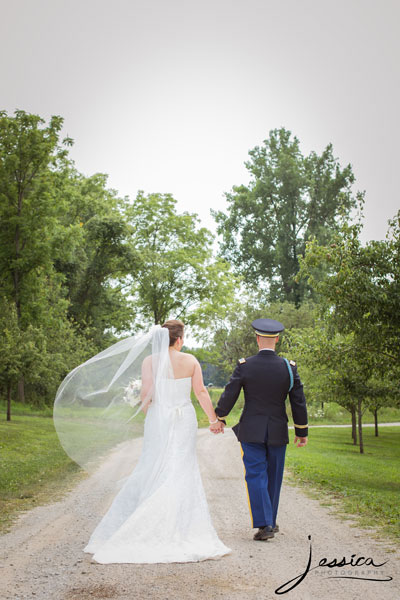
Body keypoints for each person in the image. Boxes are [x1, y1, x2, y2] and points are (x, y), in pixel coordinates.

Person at [56, 320, 231, 564]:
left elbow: (146, 394)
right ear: (179, 339)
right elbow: (201, 392)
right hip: (183, 418)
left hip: (159, 418)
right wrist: (214, 420)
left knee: (153, 465)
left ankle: (141, 520)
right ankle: (177, 524)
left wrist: (154, 417)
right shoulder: (190, 361)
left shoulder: (149, 362)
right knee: (181, 466)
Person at [211, 318, 308, 541]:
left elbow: (231, 392)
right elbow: (298, 402)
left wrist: (221, 417)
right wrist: (301, 432)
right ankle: (270, 522)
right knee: (274, 477)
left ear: (257, 339)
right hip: (277, 431)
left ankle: (265, 524)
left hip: (251, 430)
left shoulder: (246, 365)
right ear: (277, 339)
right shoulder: (289, 367)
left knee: (255, 475)